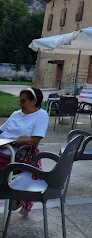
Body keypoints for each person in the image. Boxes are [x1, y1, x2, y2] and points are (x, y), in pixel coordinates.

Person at [0, 87, 49, 216]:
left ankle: (15, 195)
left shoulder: (41, 115)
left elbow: (34, 141)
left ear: (34, 101)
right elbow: (1, 130)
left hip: (15, 154)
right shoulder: (16, 114)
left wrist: (11, 142)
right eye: (19, 101)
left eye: (24, 101)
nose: (20, 104)